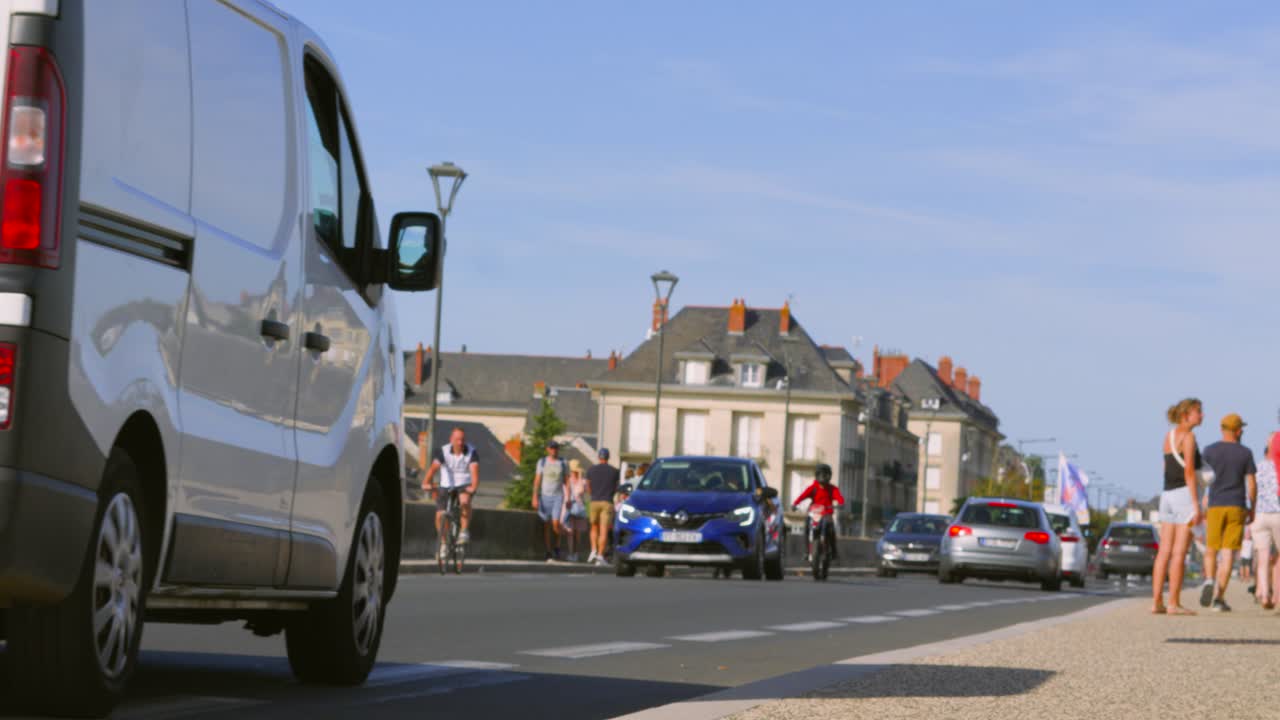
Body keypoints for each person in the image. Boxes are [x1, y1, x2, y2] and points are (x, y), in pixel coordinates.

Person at [1199, 413, 1257, 612]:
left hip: (1215, 504)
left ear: (1222, 429)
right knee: (1228, 552)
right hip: (1236, 505)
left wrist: (1204, 499)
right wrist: (1253, 507)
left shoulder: (1209, 450)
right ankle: (1218, 598)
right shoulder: (1245, 453)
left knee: (1211, 548)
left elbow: (1203, 478)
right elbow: (1251, 484)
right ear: (1238, 431)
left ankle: (1209, 579)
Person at [1153, 398, 1205, 616]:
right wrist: (1196, 504)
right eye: (1198, 412)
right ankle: (1173, 602)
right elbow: (1189, 471)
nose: (1202, 416)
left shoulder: (1169, 436)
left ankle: (1157, 601)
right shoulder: (1189, 437)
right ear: (1186, 415)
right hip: (1184, 494)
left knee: (1164, 551)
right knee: (1179, 552)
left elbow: (1166, 467)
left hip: (1167, 494)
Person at [422, 427, 480, 551]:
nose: (460, 442)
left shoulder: (471, 452)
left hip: (464, 484)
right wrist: (426, 483)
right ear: (451, 440)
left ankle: (464, 531)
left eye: (462, 439)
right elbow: (433, 469)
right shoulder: (443, 451)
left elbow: (474, 472)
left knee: (464, 501)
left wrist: (473, 487)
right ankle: (444, 543)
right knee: (439, 516)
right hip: (446, 484)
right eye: (457, 439)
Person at [1251, 432, 1280, 610]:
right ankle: (1277, 595)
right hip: (1278, 513)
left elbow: (1251, 489)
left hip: (1259, 514)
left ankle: (1263, 594)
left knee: (1263, 559)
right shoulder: (1278, 467)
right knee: (1278, 559)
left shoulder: (1258, 467)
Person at [792, 463, 844, 561]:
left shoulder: (833, 489)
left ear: (829, 476)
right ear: (817, 475)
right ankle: (806, 551)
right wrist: (795, 504)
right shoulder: (813, 487)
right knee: (806, 528)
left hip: (827, 514)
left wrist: (841, 503)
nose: (823, 477)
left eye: (825, 474)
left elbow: (839, 498)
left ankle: (834, 551)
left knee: (831, 530)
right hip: (814, 514)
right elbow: (802, 496)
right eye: (820, 474)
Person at [532, 440, 568, 561]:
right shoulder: (542, 462)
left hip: (558, 496)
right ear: (547, 449)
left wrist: (568, 497)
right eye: (551, 448)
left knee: (555, 523)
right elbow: (537, 480)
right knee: (546, 524)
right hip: (544, 496)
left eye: (555, 448)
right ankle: (548, 551)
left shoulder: (563, 462)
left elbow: (567, 481)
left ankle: (557, 546)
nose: (554, 450)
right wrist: (535, 496)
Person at [586, 448, 621, 566]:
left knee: (593, 527)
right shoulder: (614, 471)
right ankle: (600, 556)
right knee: (604, 530)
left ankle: (593, 550)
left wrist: (593, 494)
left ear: (599, 457)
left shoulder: (591, 470)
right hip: (607, 501)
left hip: (594, 501)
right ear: (608, 457)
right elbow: (616, 488)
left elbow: (588, 486)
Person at [562, 459, 589, 562]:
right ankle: (570, 552)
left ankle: (575, 553)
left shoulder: (583, 481)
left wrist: (580, 477)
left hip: (579, 509)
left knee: (577, 533)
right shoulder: (568, 481)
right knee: (570, 532)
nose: (574, 473)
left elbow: (580, 491)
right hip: (569, 508)